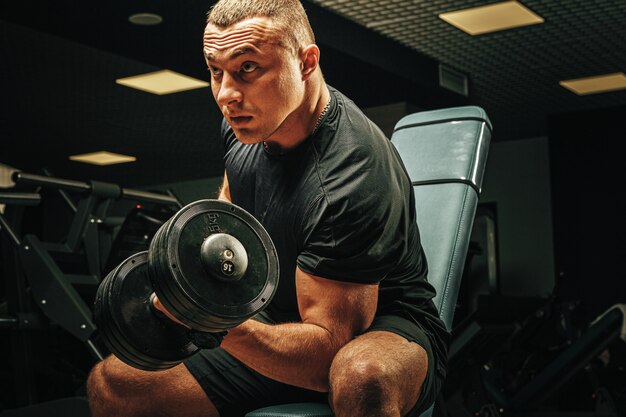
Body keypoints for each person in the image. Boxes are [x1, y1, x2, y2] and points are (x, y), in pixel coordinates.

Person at [86, 1, 449, 416]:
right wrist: (190, 290)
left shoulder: (351, 174)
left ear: (306, 61)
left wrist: (208, 320)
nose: (226, 94)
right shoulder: (245, 126)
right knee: (114, 383)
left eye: (248, 68)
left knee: (361, 376)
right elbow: (227, 215)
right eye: (215, 70)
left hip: (379, 330)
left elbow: (326, 353)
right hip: (274, 322)